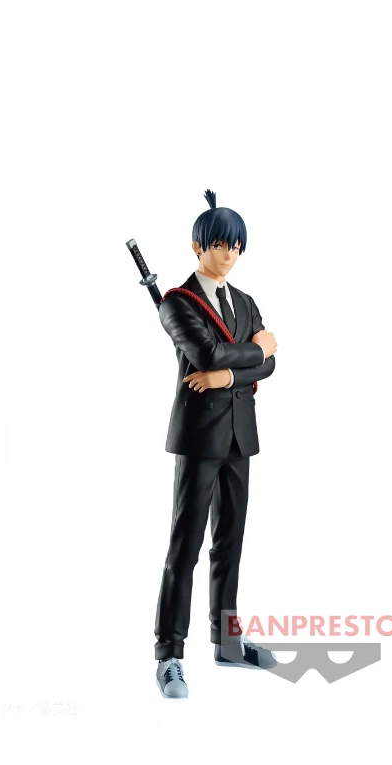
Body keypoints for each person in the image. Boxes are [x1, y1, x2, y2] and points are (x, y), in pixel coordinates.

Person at [154, 190, 279, 700]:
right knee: (184, 547)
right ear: (198, 246)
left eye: (236, 246)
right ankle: (169, 653)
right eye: (220, 245)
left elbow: (270, 363)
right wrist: (250, 353)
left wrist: (226, 373)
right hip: (200, 435)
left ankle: (227, 643)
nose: (229, 254)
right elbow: (206, 353)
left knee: (229, 543)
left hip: (239, 435)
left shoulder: (245, 302)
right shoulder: (177, 302)